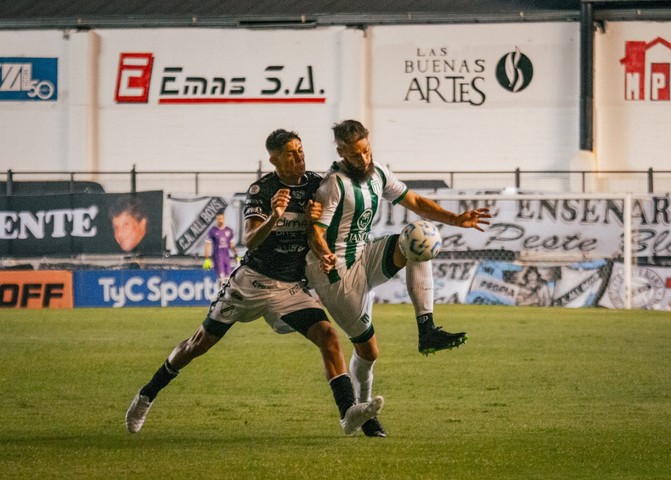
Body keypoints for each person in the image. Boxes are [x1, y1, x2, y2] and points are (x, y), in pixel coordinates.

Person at [125, 129, 383, 437]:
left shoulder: (317, 185)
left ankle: (348, 413)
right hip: (252, 282)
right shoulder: (263, 189)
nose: (299, 157)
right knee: (198, 345)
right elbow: (250, 239)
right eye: (291, 153)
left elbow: (317, 231)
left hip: (289, 287)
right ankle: (147, 395)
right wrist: (275, 216)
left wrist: (324, 249)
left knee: (328, 336)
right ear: (274, 159)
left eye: (301, 150)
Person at [305, 119, 492, 437]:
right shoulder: (333, 185)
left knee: (419, 236)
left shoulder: (377, 173)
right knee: (368, 352)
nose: (362, 159)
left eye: (365, 150)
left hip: (364, 257)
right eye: (354, 155)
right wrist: (323, 253)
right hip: (336, 275)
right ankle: (362, 412)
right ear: (341, 152)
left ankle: (427, 328)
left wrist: (455, 219)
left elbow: (416, 203)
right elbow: (315, 232)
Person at [203, 210, 238, 286]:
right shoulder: (212, 231)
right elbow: (208, 245)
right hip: (217, 257)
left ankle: (226, 296)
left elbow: (231, 245)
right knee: (221, 279)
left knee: (228, 278)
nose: (220, 221)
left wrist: (236, 255)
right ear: (216, 220)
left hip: (226, 257)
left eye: (221, 218)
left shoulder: (229, 230)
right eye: (218, 219)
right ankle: (220, 295)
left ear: (224, 218)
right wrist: (206, 258)